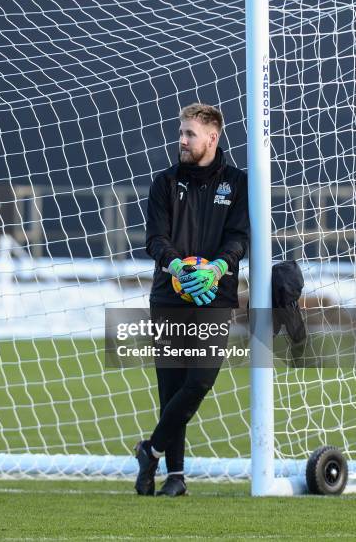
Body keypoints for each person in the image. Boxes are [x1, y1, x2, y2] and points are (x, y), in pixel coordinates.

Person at [135, 102, 249, 497]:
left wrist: (216, 268)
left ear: (212, 138)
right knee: (171, 388)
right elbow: (155, 240)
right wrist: (178, 268)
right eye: (180, 133)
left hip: (215, 295)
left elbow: (239, 238)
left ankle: (150, 450)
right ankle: (175, 477)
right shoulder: (164, 182)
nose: (181, 140)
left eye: (189, 134)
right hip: (169, 295)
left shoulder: (237, 183)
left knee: (200, 379)